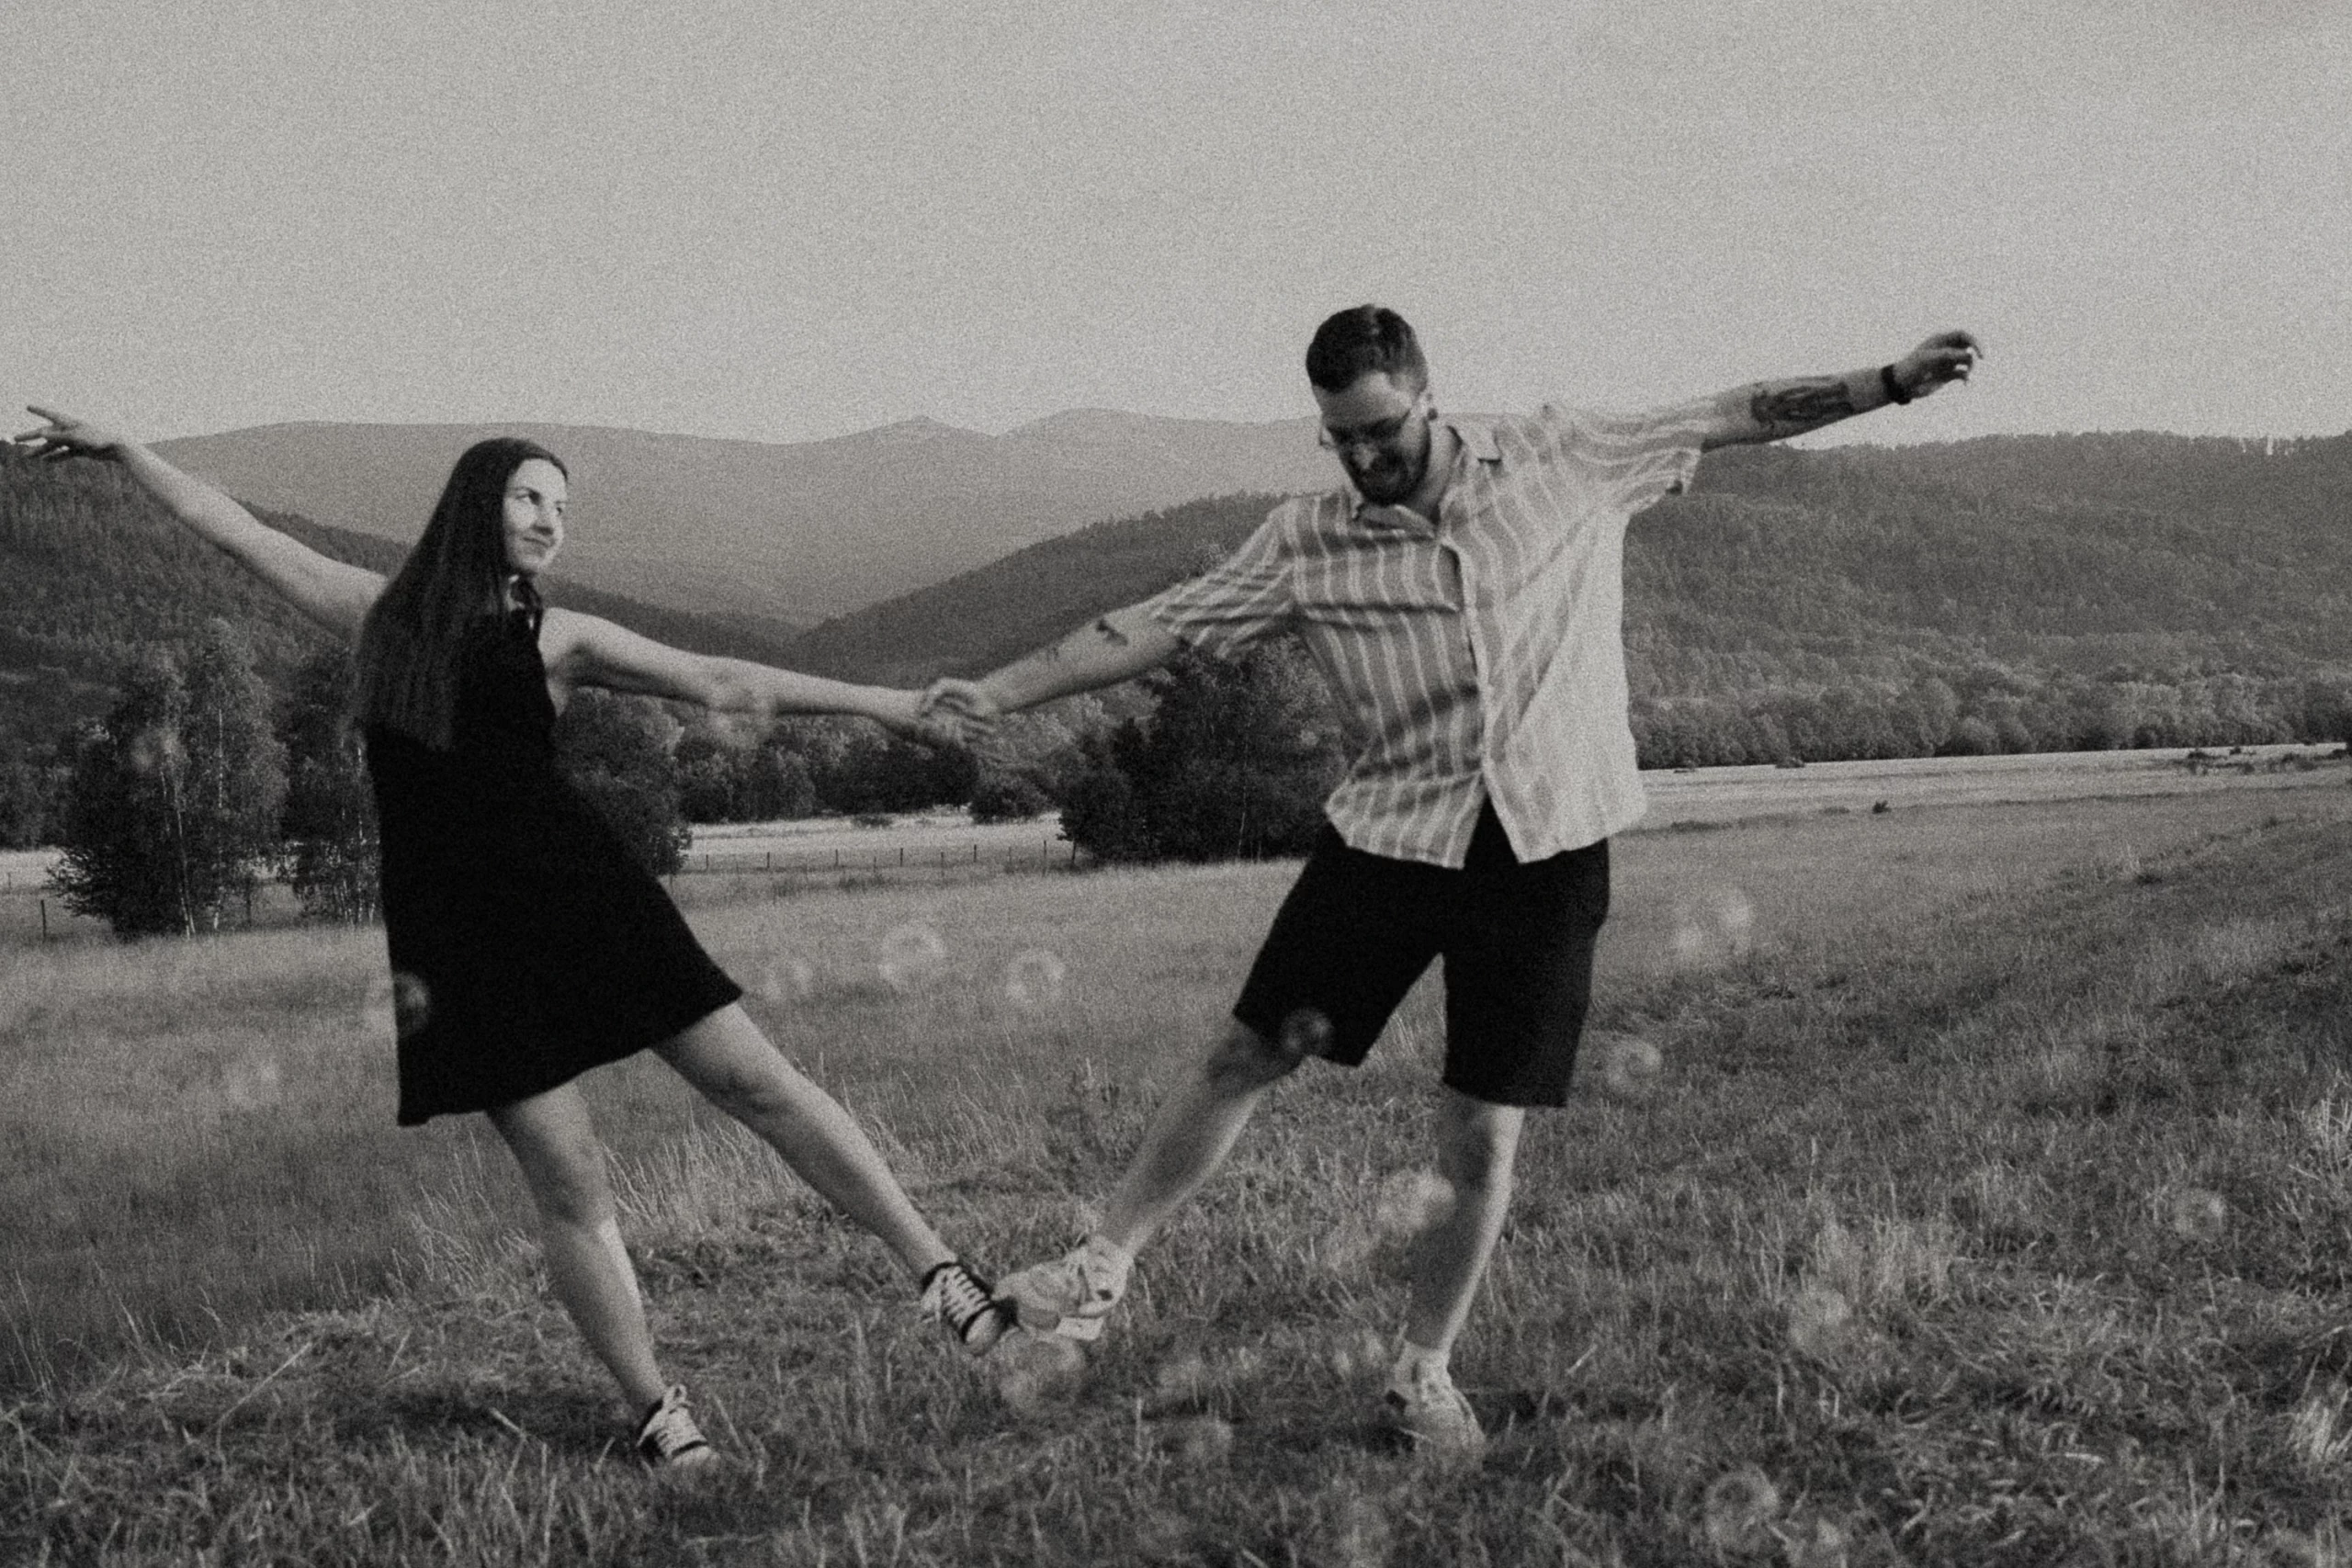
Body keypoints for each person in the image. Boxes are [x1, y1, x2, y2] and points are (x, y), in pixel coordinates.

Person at [922, 307, 1983, 1458]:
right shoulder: (1306, 541)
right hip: (1390, 839)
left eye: (1379, 430)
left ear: (1429, 398)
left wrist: (1887, 382)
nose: (1361, 457)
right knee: (1246, 1053)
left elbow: (1735, 412)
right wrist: (999, 693)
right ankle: (1100, 1267)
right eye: (1338, 437)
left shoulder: (1565, 455)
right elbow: (1153, 628)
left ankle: (1421, 1375)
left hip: (1545, 849)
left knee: (1481, 1130)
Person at [12, 409, 1012, 1470]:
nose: (549, 520)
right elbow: (235, 530)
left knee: (758, 1083)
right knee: (570, 1178)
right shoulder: (379, 619)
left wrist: (885, 704)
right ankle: (658, 1413)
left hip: (585, 896)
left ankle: (942, 1276)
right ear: (475, 503)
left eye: (562, 507)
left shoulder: (559, 638)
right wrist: (128, 452)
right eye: (530, 497)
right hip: (461, 940)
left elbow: (721, 679)